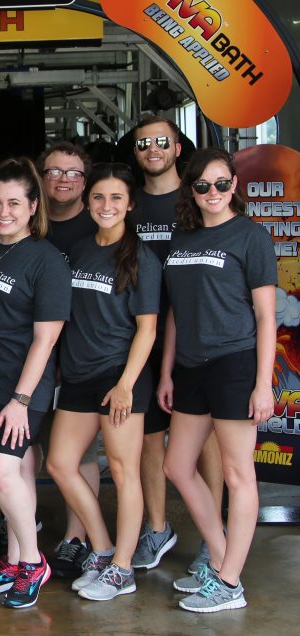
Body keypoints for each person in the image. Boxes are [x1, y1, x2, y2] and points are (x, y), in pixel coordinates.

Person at [159, 147, 276, 613]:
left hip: (234, 365)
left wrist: (264, 384)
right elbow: (174, 313)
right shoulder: (181, 238)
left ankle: (229, 583)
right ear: (191, 189)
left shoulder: (251, 236)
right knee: (177, 467)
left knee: (236, 473)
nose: (213, 193)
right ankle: (222, 559)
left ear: (234, 185)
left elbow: (266, 317)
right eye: (203, 185)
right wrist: (167, 369)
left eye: (221, 183)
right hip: (190, 366)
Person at [46, 164, 160, 601]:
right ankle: (103, 548)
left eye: (115, 198)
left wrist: (127, 383)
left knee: (122, 470)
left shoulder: (141, 258)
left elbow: (147, 329)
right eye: (98, 197)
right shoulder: (79, 249)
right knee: (59, 463)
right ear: (87, 202)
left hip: (119, 378)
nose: (106, 206)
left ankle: (123, 569)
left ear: (130, 204)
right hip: (77, 375)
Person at [0, 158, 70, 609]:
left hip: (22, 388)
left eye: (14, 203)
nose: (3, 211)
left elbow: (47, 338)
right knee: (20, 472)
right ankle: (13, 559)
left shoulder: (46, 260)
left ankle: (32, 562)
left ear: (33, 206)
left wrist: (21, 400)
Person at [129, 115, 223, 575]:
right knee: (150, 437)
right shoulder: (127, 205)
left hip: (194, 339)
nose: (153, 148)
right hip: (140, 339)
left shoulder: (199, 200)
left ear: (177, 147)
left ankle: (213, 537)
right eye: (143, 142)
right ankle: (157, 527)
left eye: (161, 141)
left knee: (206, 442)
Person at [30, 141, 104, 579]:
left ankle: (77, 537)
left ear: (85, 180)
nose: (63, 179)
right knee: (32, 446)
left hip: (82, 358)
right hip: (36, 356)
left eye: (73, 173)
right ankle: (21, 522)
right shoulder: (30, 225)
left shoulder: (97, 227)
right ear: (41, 177)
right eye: (54, 171)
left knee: (80, 454)